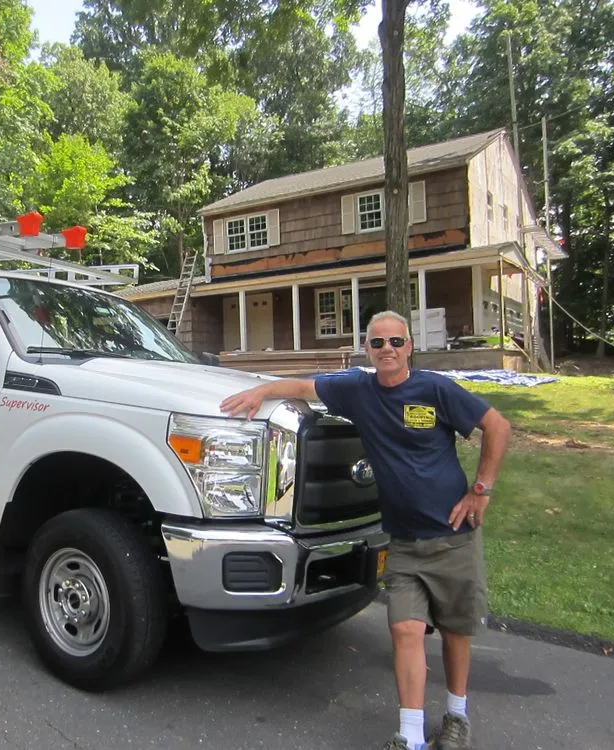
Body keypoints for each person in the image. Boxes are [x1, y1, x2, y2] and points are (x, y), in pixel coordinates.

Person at [219, 310, 511, 750]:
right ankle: (409, 736)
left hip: (453, 537)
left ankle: (456, 715)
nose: (387, 350)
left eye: (396, 342)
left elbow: (497, 425)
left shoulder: (434, 389)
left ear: (409, 346)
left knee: (455, 631)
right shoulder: (356, 389)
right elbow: (300, 387)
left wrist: (481, 491)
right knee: (405, 630)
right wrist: (259, 391)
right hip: (405, 541)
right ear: (368, 349)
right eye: (378, 344)